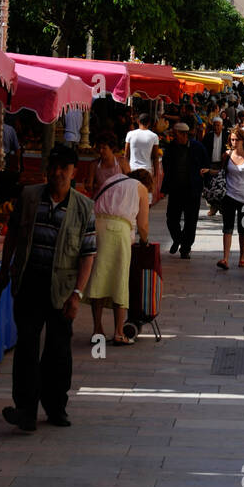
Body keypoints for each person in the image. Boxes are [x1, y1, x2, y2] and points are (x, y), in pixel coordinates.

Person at [0, 143, 96, 431]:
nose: (57, 173)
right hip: (29, 281)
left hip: (62, 289)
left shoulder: (84, 207)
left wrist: (78, 293)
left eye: (64, 168)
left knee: (58, 349)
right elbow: (13, 233)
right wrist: (5, 270)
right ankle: (25, 409)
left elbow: (88, 253)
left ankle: (56, 407)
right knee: (26, 345)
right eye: (53, 167)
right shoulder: (28, 197)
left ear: (74, 172)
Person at [88, 147, 149, 344]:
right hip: (119, 232)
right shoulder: (140, 188)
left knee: (98, 279)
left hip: (97, 227)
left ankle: (97, 329)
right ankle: (118, 332)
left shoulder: (112, 180)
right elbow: (143, 225)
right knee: (120, 281)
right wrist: (145, 242)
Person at [161, 121, 208, 257]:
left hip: (192, 190)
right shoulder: (171, 147)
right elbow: (165, 164)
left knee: (191, 220)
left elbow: (205, 165)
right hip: (176, 190)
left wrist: (203, 181)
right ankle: (177, 239)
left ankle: (185, 248)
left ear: (184, 134)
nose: (174, 137)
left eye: (176, 135)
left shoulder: (197, 147)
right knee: (171, 219)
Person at [217, 128, 244, 270]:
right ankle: (225, 258)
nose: (233, 142)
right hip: (229, 195)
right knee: (227, 228)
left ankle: (242, 257)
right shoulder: (227, 155)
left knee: (243, 229)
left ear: (243, 140)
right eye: (232, 140)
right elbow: (221, 173)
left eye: (236, 139)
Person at [125, 114, 159, 188]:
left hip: (132, 169)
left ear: (138, 121)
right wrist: (156, 174)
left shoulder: (130, 134)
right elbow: (155, 157)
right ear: (149, 123)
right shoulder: (154, 136)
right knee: (146, 195)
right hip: (146, 171)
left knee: (133, 194)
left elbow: (126, 156)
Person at [202, 116, 226, 217]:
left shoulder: (226, 135)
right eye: (214, 125)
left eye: (218, 125)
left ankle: (221, 208)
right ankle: (213, 207)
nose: (216, 127)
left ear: (222, 126)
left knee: (221, 187)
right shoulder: (208, 136)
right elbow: (203, 150)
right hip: (210, 164)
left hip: (222, 164)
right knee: (210, 187)